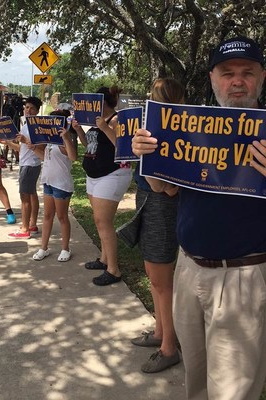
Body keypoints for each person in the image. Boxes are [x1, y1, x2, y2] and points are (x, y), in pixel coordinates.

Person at [132, 36, 266, 400]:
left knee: (233, 392)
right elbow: (164, 189)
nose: (237, 81)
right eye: (227, 73)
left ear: (261, 77)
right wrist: (146, 156)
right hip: (188, 269)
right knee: (197, 382)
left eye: (247, 73)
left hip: (242, 276)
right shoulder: (191, 125)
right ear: (212, 79)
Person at [130, 78, 184, 374]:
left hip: (162, 206)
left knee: (162, 281)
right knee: (153, 274)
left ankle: (169, 348)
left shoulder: (176, 131)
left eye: (155, 95)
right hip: (148, 200)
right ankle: (160, 332)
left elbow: (170, 188)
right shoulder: (153, 129)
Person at [73, 86, 132, 286]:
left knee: (103, 222)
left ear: (102, 102)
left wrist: (105, 128)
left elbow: (124, 146)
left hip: (112, 174)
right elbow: (89, 145)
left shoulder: (116, 120)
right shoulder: (95, 122)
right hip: (94, 175)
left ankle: (114, 270)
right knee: (99, 222)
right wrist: (79, 130)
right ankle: (104, 259)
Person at [30, 110, 77, 262]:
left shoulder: (65, 140)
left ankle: (65, 248)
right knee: (48, 216)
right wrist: (32, 148)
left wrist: (66, 137)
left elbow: (73, 157)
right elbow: (46, 158)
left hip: (61, 184)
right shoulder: (50, 140)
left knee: (62, 217)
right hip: (48, 182)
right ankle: (44, 247)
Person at [6, 96, 42, 239]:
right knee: (32, 195)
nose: (28, 110)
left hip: (30, 165)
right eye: (26, 107)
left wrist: (25, 140)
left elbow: (41, 147)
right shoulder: (26, 125)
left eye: (32, 108)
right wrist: (9, 143)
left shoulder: (36, 126)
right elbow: (23, 149)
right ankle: (32, 224)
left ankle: (25, 229)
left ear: (37, 111)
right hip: (26, 163)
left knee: (25, 198)